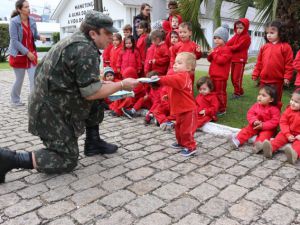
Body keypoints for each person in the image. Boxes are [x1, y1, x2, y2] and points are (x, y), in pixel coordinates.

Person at [0, 11, 138, 184]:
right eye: (107, 33)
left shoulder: (78, 41)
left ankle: (93, 142)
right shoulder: (85, 49)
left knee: (99, 94)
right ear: (93, 33)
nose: (111, 37)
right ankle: (11, 159)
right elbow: (91, 92)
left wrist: (110, 86)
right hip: (49, 111)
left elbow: (89, 86)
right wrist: (122, 85)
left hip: (55, 101)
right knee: (67, 159)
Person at [152, 52, 198, 157]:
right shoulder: (179, 77)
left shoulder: (183, 76)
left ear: (188, 67)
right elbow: (177, 90)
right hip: (181, 110)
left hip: (188, 110)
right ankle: (181, 142)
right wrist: (168, 96)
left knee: (187, 130)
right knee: (179, 128)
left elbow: (171, 80)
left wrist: (160, 79)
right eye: (175, 62)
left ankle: (191, 146)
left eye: (179, 63)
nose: (175, 64)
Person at [8, 0, 46, 107]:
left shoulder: (32, 20)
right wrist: (27, 52)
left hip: (31, 55)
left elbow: (34, 34)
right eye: (25, 7)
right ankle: (15, 100)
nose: (28, 9)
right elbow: (15, 41)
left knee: (34, 79)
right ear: (19, 9)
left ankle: (34, 102)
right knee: (19, 80)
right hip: (19, 56)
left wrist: (40, 37)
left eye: (29, 6)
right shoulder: (14, 22)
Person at [252, 20, 294, 108]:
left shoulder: (286, 47)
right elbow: (259, 62)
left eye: (272, 32)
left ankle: (275, 118)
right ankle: (262, 116)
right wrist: (256, 73)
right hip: (263, 80)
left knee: (275, 101)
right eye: (267, 33)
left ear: (280, 33)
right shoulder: (264, 47)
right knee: (262, 99)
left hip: (277, 81)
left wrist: (287, 76)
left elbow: (289, 64)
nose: (269, 35)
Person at [229, 85, 280, 153]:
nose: (260, 97)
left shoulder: (274, 109)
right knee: (247, 130)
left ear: (271, 100)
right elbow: (250, 114)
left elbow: (275, 121)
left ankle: (257, 146)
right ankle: (237, 141)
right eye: (259, 94)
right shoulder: (256, 105)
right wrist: (254, 121)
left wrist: (263, 125)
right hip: (255, 125)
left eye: (263, 95)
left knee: (265, 136)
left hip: (267, 128)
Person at [262, 89, 300, 164]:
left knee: (299, 145)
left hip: (298, 136)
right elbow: (283, 122)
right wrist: (287, 133)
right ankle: (270, 148)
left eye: (296, 102)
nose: (292, 103)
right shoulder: (288, 110)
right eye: (292, 100)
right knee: (279, 138)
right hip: (287, 132)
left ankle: (293, 155)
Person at [207, 24, 232, 115]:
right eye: (215, 38)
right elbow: (210, 60)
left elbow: (221, 61)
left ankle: (222, 108)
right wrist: (210, 55)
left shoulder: (227, 50)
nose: (216, 40)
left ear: (224, 39)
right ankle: (215, 106)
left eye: (219, 38)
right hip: (213, 75)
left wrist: (213, 54)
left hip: (221, 77)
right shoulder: (216, 48)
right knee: (213, 92)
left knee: (220, 93)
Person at [226, 18, 251, 99]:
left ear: (246, 28)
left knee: (237, 78)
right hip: (233, 59)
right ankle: (240, 91)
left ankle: (237, 93)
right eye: (237, 28)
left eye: (241, 28)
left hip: (240, 60)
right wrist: (223, 46)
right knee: (233, 78)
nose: (238, 30)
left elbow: (238, 47)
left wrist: (228, 48)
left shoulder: (246, 37)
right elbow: (229, 43)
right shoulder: (236, 35)